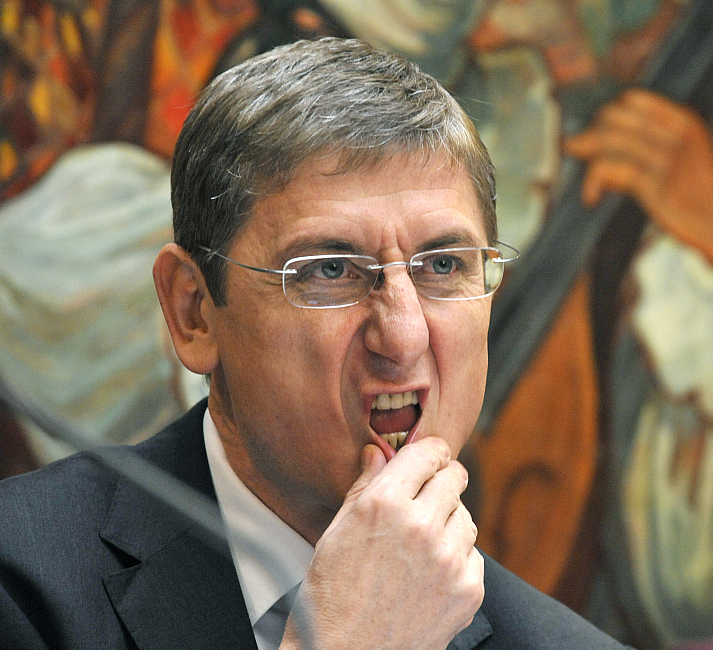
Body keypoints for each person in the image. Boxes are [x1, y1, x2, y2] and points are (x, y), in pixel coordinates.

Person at [0, 36, 632, 650]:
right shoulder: (20, 585)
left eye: (444, 265)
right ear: (194, 312)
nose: (404, 336)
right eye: (331, 270)